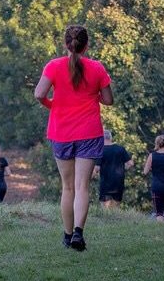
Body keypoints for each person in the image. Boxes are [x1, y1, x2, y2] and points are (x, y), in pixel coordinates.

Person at [33, 25, 114, 251]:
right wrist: (94, 94)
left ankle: (68, 236)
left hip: (61, 132)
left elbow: (39, 93)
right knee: (82, 187)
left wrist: (53, 105)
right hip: (89, 132)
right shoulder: (97, 68)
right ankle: (79, 232)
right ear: (86, 45)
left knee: (67, 187)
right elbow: (108, 100)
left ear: (65, 44)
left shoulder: (54, 66)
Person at [94, 130, 134, 208]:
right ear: (111, 138)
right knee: (116, 207)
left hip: (105, 183)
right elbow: (131, 163)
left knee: (105, 208)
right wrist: (124, 168)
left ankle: (106, 220)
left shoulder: (101, 150)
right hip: (118, 182)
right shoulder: (120, 149)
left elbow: (97, 168)